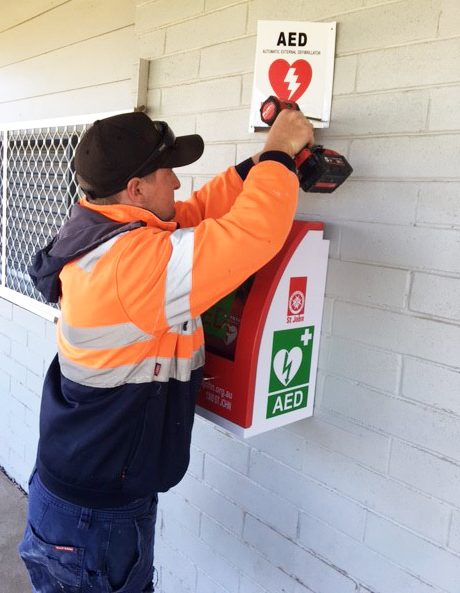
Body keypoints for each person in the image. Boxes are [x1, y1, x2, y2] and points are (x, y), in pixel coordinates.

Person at [19, 107, 314, 592]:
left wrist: (256, 165)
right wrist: (280, 154)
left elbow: (190, 217)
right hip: (97, 521)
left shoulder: (102, 236)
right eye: (166, 172)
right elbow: (252, 236)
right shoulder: (134, 266)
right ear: (135, 189)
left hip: (69, 493)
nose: (177, 183)